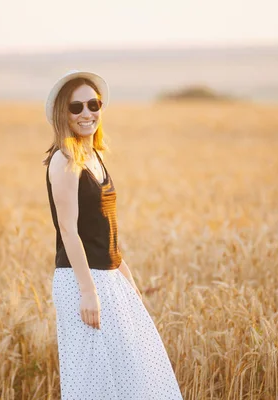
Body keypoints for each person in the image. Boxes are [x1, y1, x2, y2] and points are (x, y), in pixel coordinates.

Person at [44, 70, 184, 400]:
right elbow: (69, 230)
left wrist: (127, 277)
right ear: (63, 113)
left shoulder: (94, 156)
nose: (86, 113)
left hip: (108, 277)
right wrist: (88, 292)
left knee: (138, 371)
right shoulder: (64, 161)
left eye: (93, 104)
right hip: (81, 280)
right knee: (95, 381)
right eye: (75, 107)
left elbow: (104, 229)